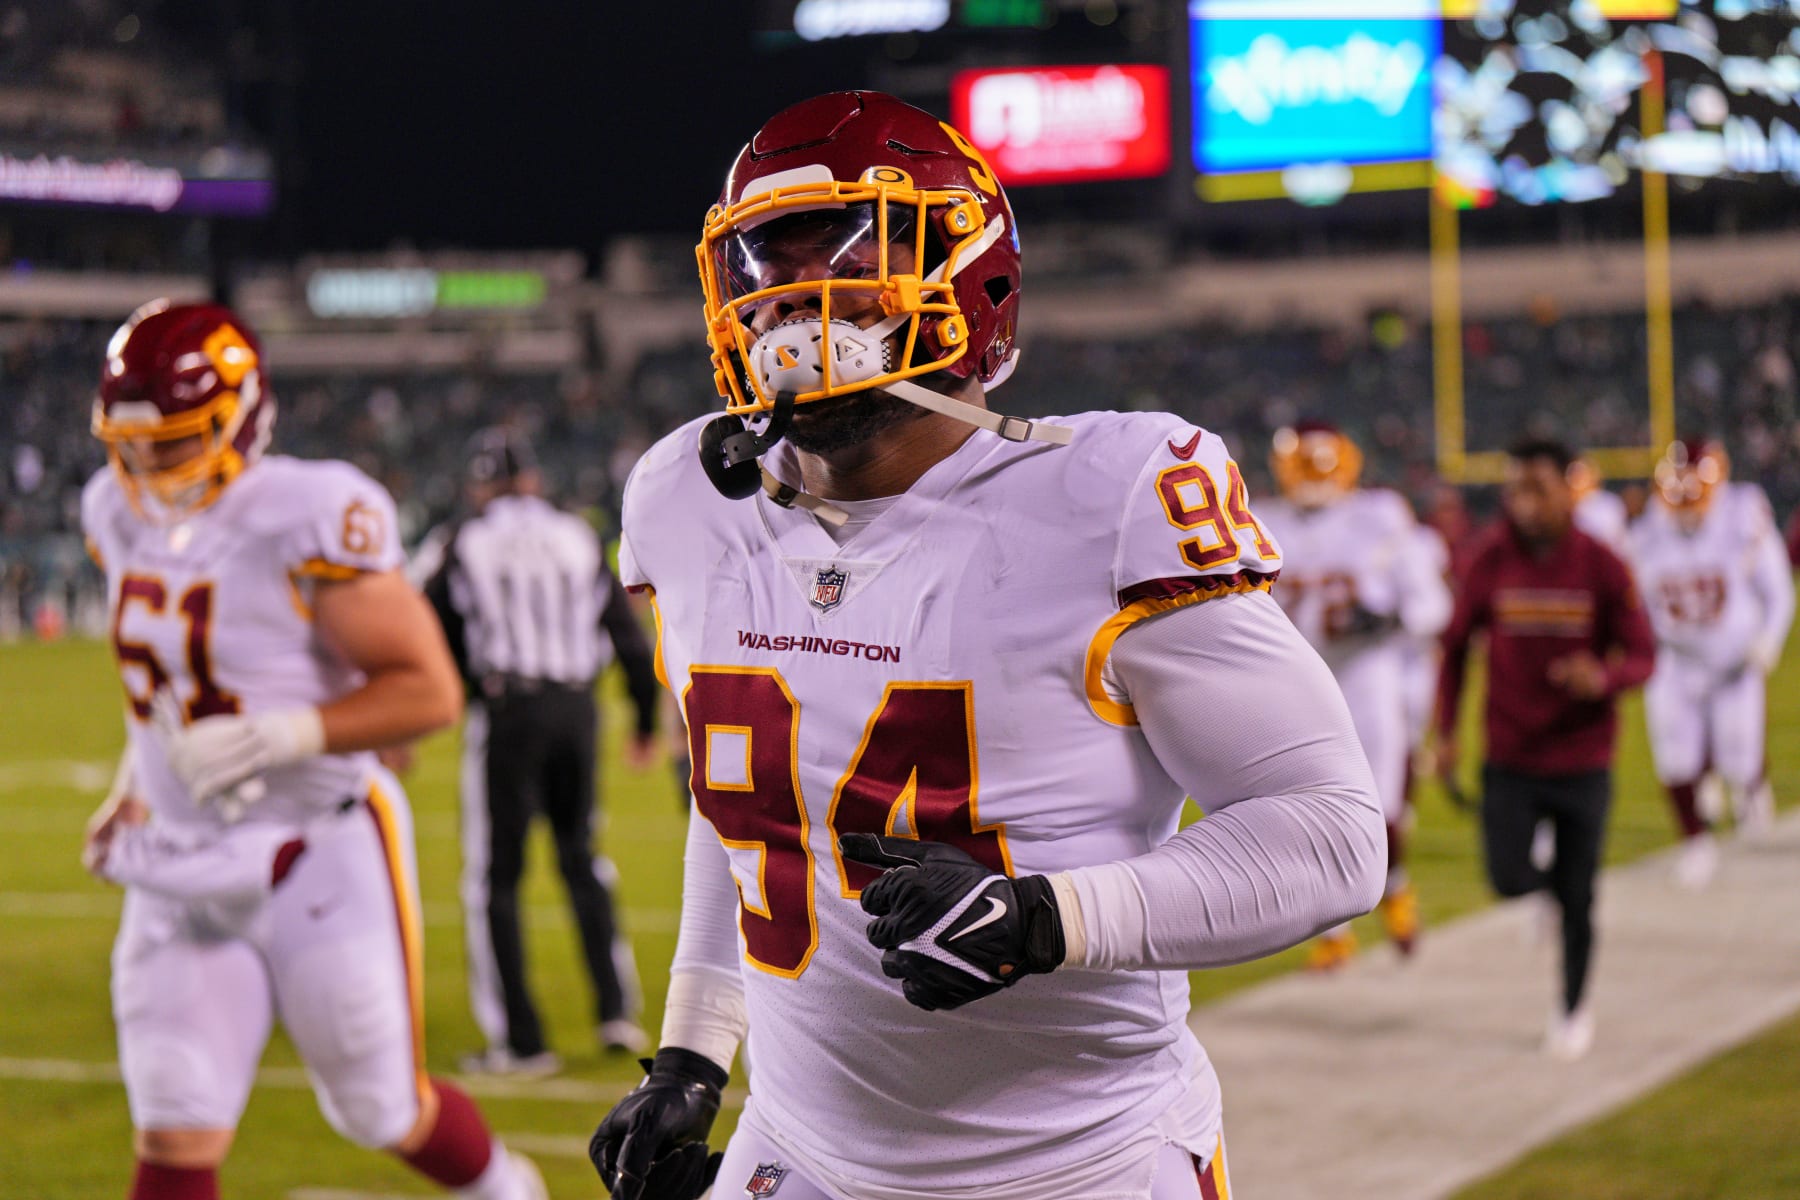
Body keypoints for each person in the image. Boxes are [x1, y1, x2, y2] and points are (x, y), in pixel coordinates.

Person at [586, 91, 1386, 1200]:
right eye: (769, 278)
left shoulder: (1109, 496)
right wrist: (691, 1044)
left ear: (973, 285)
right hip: (800, 1152)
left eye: (848, 267)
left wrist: (1052, 917)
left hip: (1078, 1164)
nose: (793, 312)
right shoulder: (688, 495)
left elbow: (1333, 838)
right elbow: (753, 804)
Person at [78, 300, 545, 1200]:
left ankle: (506, 1190)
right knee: (175, 1126)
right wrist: (133, 785)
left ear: (239, 420)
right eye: (130, 443)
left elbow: (429, 690)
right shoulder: (113, 509)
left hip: (317, 854)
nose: (145, 465)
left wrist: (286, 734)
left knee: (380, 1110)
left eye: (173, 441)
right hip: (179, 865)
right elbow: (173, 689)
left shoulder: (305, 512)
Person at [419, 427, 660, 1073]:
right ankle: (615, 1012)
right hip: (578, 710)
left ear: (483, 484)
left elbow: (426, 631)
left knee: (496, 878)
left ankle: (521, 1041)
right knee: (584, 862)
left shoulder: (465, 539)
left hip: (510, 710)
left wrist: (461, 694)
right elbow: (628, 636)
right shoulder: (577, 534)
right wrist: (642, 717)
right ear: (533, 479)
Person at [1435, 438, 1655, 1060]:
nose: (1523, 502)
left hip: (1583, 756)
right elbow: (1454, 646)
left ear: (1570, 488)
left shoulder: (1604, 563)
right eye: (1515, 489)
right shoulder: (1491, 557)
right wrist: (1447, 733)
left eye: (1536, 487)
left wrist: (1603, 677)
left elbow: (1643, 655)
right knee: (1507, 878)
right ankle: (1548, 892)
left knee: (1581, 897)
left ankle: (1573, 1008)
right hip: (1511, 752)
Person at [1259, 422, 1452, 968]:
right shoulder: (1261, 521)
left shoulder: (1379, 516)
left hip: (1370, 672)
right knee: (1311, 804)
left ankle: (1395, 887)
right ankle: (1335, 927)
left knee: (1384, 802)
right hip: (1299, 677)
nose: (1313, 479)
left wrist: (1392, 616)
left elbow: (1433, 604)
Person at [1626, 438, 1793, 887]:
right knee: (1675, 759)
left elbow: (1777, 590)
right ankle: (1695, 842)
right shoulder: (1645, 536)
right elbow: (1632, 607)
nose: (1685, 507)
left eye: (1694, 494)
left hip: (1731, 659)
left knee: (1739, 751)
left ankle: (1749, 785)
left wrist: (1767, 643)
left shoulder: (1741, 517)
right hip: (1674, 661)